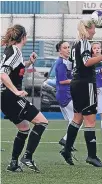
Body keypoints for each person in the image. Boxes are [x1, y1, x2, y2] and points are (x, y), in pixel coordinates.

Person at [60, 19, 102, 167]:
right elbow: (86, 62)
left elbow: (69, 65)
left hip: (76, 83)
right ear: (88, 29)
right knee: (90, 120)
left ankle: (67, 149)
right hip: (85, 83)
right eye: (93, 29)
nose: (94, 31)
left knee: (77, 118)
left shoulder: (75, 44)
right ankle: (92, 156)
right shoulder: (83, 43)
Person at [0, 24, 49, 172]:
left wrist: (29, 63)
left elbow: (16, 69)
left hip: (6, 98)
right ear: (23, 37)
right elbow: (3, 74)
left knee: (24, 128)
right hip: (10, 97)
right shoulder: (14, 52)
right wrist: (16, 92)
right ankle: (27, 157)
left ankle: (13, 163)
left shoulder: (14, 51)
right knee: (42, 122)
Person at [55, 41, 78, 152]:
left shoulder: (66, 61)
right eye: (65, 47)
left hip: (67, 93)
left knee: (73, 119)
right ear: (60, 50)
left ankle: (68, 142)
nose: (68, 49)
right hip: (64, 94)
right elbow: (62, 80)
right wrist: (76, 81)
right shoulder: (60, 63)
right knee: (77, 119)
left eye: (69, 47)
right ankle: (66, 140)